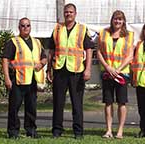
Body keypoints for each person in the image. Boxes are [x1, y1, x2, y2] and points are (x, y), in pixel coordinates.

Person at [47, 3, 94, 139]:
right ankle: (57, 130)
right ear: (64, 13)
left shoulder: (82, 29)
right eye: (66, 12)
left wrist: (88, 69)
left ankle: (78, 132)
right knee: (58, 102)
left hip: (76, 71)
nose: (68, 14)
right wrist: (48, 69)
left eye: (71, 12)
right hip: (59, 70)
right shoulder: (57, 28)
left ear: (75, 14)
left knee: (77, 103)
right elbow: (51, 50)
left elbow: (89, 50)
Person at [2, 17, 47, 138]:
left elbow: (44, 57)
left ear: (30, 27)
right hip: (17, 79)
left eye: (28, 25)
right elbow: (5, 60)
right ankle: (13, 132)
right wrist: (6, 78)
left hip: (32, 79)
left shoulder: (37, 42)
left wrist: (42, 63)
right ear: (19, 27)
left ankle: (31, 130)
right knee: (14, 107)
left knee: (31, 107)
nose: (25, 28)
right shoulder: (13, 42)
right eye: (23, 26)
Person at [96, 10, 134, 139]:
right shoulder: (103, 33)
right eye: (115, 19)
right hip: (107, 72)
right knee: (108, 102)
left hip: (121, 73)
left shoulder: (129, 35)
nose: (117, 21)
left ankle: (120, 131)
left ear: (123, 21)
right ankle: (108, 130)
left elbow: (130, 56)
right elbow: (99, 52)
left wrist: (118, 69)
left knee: (121, 102)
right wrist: (107, 67)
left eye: (120, 19)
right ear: (112, 20)